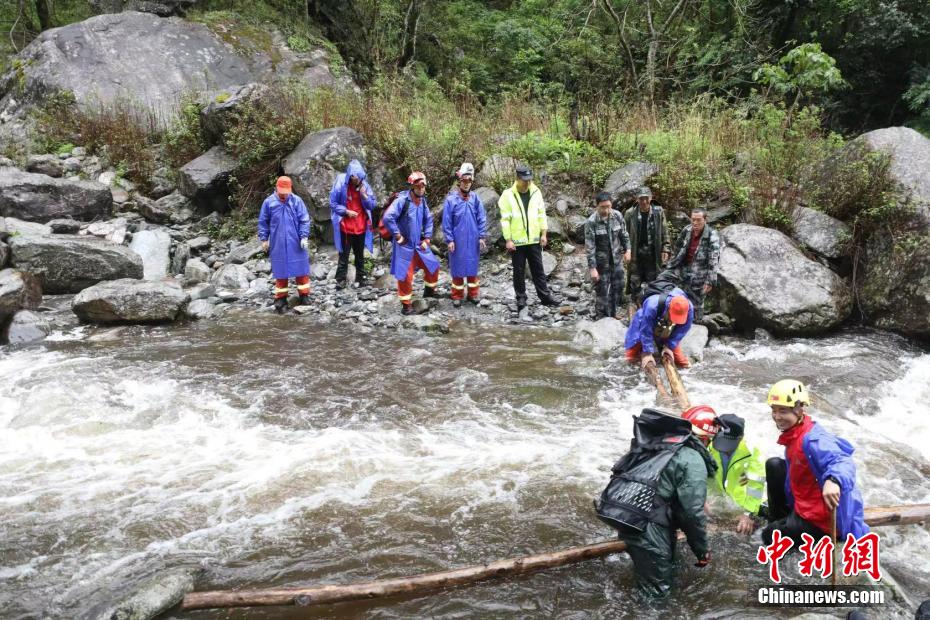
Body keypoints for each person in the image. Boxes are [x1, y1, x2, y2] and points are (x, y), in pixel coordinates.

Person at [596, 407, 714, 598]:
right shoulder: (692, 458)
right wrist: (701, 550)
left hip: (628, 516)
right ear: (707, 439)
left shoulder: (657, 443)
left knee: (659, 574)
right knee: (655, 597)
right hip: (650, 528)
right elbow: (691, 513)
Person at [762, 379, 869, 547]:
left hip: (822, 520)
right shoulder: (794, 433)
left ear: (799, 409)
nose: (777, 417)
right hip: (803, 503)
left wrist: (833, 480)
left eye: (782, 411)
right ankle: (782, 520)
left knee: (769, 536)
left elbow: (842, 460)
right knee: (774, 465)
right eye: (774, 410)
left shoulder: (813, 439)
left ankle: (785, 529)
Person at [685, 407, 767, 535]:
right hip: (721, 499)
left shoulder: (751, 452)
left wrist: (748, 513)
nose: (724, 448)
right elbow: (704, 474)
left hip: (744, 502)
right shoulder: (709, 444)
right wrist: (701, 499)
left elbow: (756, 486)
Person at [498, 164, 562, 311]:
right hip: (517, 242)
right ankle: (521, 299)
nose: (527, 183)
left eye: (529, 180)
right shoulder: (507, 195)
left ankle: (545, 297)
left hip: (534, 239)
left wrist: (544, 233)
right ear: (517, 178)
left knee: (538, 270)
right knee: (518, 271)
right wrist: (508, 239)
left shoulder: (536, 191)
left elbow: (541, 214)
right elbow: (505, 219)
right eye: (524, 180)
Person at [382, 171, 441, 316]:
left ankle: (429, 292)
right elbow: (388, 217)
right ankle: (406, 306)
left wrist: (427, 238)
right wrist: (397, 235)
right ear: (412, 187)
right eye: (418, 186)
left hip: (419, 244)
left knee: (433, 265)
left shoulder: (423, 201)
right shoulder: (402, 201)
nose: (421, 188)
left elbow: (428, 220)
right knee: (405, 276)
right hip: (405, 245)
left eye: (423, 186)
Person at [257, 176, 311, 314]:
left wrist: (304, 236)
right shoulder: (269, 202)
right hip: (278, 242)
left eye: (286, 191)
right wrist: (264, 239)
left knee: (301, 270)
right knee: (280, 271)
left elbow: (304, 219)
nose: (283, 193)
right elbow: (263, 222)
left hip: (296, 241)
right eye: (281, 191)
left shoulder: (297, 201)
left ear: (290, 189)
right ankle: (281, 298)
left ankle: (304, 295)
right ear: (276, 188)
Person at [442, 163, 487, 307]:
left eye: (469, 181)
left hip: (473, 240)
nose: (467, 184)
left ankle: (473, 295)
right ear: (459, 181)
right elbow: (447, 222)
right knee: (457, 268)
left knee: (472, 267)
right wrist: (449, 240)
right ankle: (457, 295)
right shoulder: (451, 200)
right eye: (464, 181)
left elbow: (482, 218)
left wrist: (481, 236)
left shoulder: (475, 198)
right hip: (458, 241)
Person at [666, 208, 720, 321]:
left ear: (705, 220)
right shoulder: (687, 230)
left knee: (697, 303)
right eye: (693, 219)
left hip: (700, 274)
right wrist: (672, 264)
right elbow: (677, 247)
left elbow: (714, 259)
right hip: (683, 271)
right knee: (679, 299)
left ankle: (698, 325)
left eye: (698, 220)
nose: (695, 223)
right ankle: (679, 324)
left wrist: (710, 280)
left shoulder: (711, 235)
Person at [329, 159, 376, 288]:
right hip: (346, 227)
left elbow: (372, 205)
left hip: (360, 227)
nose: (357, 181)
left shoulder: (364, 186)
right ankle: (340, 280)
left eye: (359, 178)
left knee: (359, 255)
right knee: (344, 255)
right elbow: (332, 203)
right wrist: (345, 211)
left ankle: (361, 279)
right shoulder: (340, 184)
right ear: (350, 176)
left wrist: (364, 196)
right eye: (355, 178)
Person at [584, 192, 631, 319]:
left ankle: (614, 313)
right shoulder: (591, 222)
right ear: (597, 206)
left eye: (608, 206)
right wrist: (593, 269)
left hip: (616, 260)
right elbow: (590, 247)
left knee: (619, 286)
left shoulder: (617, 216)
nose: (606, 210)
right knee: (602, 291)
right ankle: (601, 317)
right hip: (601, 263)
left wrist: (628, 250)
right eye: (603, 207)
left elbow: (624, 235)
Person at [624, 287, 693, 369]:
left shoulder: (689, 308)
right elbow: (645, 329)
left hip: (666, 325)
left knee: (683, 363)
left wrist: (669, 346)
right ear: (669, 307)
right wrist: (647, 353)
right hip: (645, 320)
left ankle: (665, 344)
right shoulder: (652, 305)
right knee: (631, 356)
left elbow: (682, 329)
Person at [624, 187, 671, 305]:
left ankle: (651, 305)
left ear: (650, 198)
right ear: (637, 199)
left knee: (654, 281)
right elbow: (623, 234)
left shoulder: (658, 212)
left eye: (646, 198)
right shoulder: (630, 213)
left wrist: (665, 248)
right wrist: (625, 250)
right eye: (641, 199)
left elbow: (665, 231)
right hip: (636, 254)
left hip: (652, 254)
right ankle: (635, 305)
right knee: (635, 281)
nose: (644, 201)